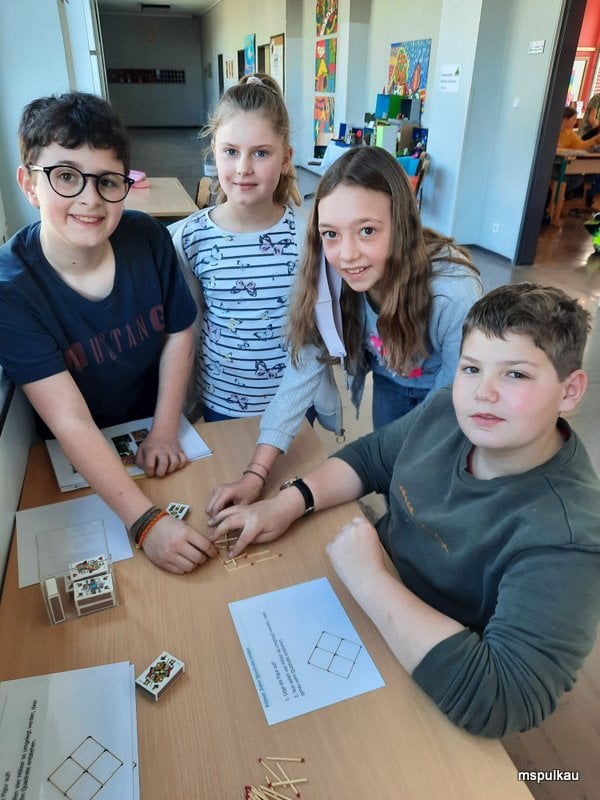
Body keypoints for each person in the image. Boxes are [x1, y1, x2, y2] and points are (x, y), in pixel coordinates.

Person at [206, 282, 600, 738]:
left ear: (570, 391)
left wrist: (367, 577)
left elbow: (502, 698)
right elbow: (371, 457)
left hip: (431, 662)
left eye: (516, 374)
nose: (483, 393)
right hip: (368, 601)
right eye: (471, 368)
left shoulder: (568, 534)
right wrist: (287, 502)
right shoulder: (448, 411)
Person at [0, 92, 218, 574]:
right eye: (66, 176)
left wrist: (165, 429)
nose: (90, 199)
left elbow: (179, 332)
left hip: (157, 433)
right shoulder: (11, 291)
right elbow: (70, 421)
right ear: (29, 184)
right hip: (78, 462)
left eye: (107, 180)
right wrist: (145, 522)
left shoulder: (147, 237)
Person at [207, 146, 481, 514]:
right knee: (395, 483)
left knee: (434, 482)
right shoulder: (327, 277)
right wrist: (255, 474)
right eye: (331, 234)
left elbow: (454, 400)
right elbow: (301, 373)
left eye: (367, 231)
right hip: (392, 382)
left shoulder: (453, 292)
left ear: (402, 224)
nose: (347, 255)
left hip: (452, 388)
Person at [170, 73, 306, 426]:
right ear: (214, 152)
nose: (244, 168)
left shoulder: (308, 235)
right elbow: (186, 322)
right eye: (231, 152)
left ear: (286, 159)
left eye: (261, 153)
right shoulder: (190, 238)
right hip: (220, 402)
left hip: (292, 405)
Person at [556, 106, 600, 211]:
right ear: (565, 119)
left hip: (567, 164)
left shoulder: (571, 134)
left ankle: (557, 201)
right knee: (566, 178)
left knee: (578, 179)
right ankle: (554, 201)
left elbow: (581, 146)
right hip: (555, 164)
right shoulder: (554, 131)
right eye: (573, 119)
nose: (575, 122)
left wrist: (595, 139)